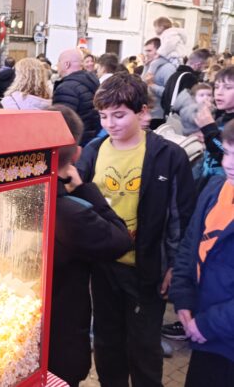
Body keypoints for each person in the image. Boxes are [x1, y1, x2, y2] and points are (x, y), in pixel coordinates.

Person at [76, 73, 195, 387]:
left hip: (146, 268)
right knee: (106, 343)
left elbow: (181, 219)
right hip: (103, 267)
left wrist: (174, 266)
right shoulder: (93, 150)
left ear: (143, 111)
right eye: (103, 116)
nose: (110, 124)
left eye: (119, 115)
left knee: (143, 347)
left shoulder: (169, 157)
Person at [48, 104, 132, 387]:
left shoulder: (10, 197)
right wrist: (86, 189)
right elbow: (120, 239)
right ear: (78, 153)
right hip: (60, 344)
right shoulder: (72, 214)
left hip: (15, 337)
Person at [169, 120, 234, 387]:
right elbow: (190, 243)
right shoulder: (216, 188)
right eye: (229, 152)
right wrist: (183, 299)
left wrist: (207, 325)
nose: (229, 163)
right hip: (202, 331)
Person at [52, 48, 101, 146]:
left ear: (67, 64)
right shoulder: (91, 81)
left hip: (74, 145)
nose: (57, 65)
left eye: (59, 61)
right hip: (91, 141)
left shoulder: (66, 88)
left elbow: (63, 124)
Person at [195, 66, 234, 181]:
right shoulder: (221, 116)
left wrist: (209, 130)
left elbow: (225, 152)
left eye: (228, 87)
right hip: (208, 180)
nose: (219, 93)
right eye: (216, 87)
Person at [161, 48, 211, 118]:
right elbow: (188, 104)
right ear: (198, 64)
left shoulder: (175, 74)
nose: (205, 70)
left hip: (168, 117)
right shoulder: (189, 78)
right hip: (180, 120)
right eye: (205, 66)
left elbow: (163, 100)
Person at [142, 37, 177, 128]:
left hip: (159, 117)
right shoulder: (150, 65)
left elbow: (170, 94)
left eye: (149, 51)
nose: (146, 54)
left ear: (159, 52)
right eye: (145, 51)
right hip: (148, 114)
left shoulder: (168, 68)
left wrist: (152, 85)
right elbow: (142, 86)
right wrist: (146, 67)